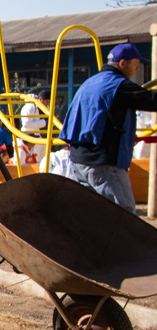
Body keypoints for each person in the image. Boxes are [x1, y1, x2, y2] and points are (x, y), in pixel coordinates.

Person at [58, 43, 157, 213]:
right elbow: (151, 99)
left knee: (96, 216)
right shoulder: (118, 85)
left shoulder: (90, 82)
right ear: (123, 63)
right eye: (136, 64)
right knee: (124, 216)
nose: (138, 69)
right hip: (102, 163)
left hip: (78, 160)